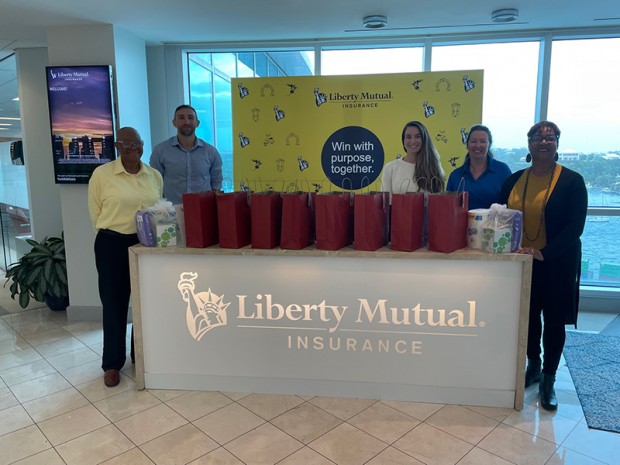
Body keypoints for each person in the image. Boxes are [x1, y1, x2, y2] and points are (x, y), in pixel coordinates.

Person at [499, 121, 587, 411]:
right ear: (529, 143)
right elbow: (499, 217)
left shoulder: (572, 181)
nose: (544, 141)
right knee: (528, 318)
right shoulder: (514, 180)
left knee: (554, 321)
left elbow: (575, 227)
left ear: (557, 143)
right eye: (538, 137)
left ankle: (549, 379)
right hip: (522, 263)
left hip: (557, 263)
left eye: (550, 137)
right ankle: (533, 366)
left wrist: (544, 252)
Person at [88, 127, 163, 387]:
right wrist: (114, 234)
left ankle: (138, 356)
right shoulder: (102, 175)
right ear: (117, 146)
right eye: (127, 143)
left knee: (144, 303)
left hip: (145, 244)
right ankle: (112, 364)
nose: (134, 147)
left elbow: (158, 209)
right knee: (114, 304)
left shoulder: (153, 175)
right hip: (112, 243)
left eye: (137, 142)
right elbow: (95, 213)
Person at [150, 104, 223, 204]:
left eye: (190, 117)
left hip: (203, 209)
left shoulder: (211, 152)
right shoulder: (160, 151)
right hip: (171, 210)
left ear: (197, 123)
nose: (186, 122)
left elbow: (216, 184)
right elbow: (155, 183)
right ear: (174, 122)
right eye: (181, 118)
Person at [446, 124, 511, 209]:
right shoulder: (455, 176)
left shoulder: (502, 170)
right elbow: (448, 207)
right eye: (473, 141)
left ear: (489, 144)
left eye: (483, 141)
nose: (478, 145)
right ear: (467, 144)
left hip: (495, 218)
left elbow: (511, 205)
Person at [382, 121, 445, 197]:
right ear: (403, 141)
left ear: (424, 140)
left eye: (417, 136)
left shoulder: (434, 167)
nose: (413, 141)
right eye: (408, 137)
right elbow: (386, 201)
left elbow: (439, 200)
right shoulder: (390, 168)